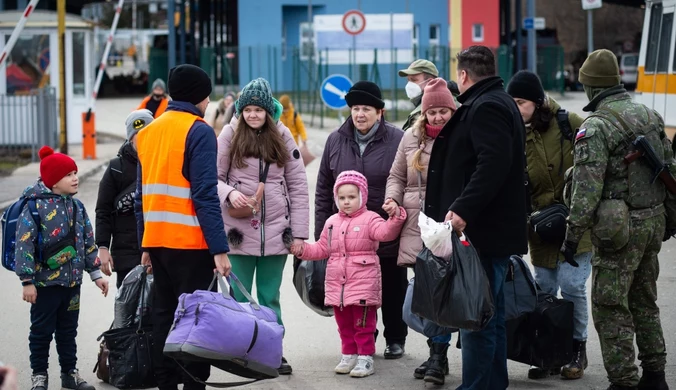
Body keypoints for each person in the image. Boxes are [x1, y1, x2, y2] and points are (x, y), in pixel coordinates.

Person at [562, 49, 674, 390]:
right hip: (652, 222)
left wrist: (572, 235)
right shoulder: (651, 115)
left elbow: (586, 189)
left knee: (610, 306)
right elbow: (670, 169)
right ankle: (655, 375)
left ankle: (623, 380)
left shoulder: (596, 127)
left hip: (619, 231)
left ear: (592, 89)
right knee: (644, 299)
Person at [425, 46, 528, 390]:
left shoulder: (487, 107)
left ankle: (477, 386)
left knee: (476, 318)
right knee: (490, 315)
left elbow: (492, 165)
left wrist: (463, 210)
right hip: (491, 230)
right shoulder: (498, 102)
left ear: (464, 75)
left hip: (483, 232)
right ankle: (491, 383)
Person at [134, 64, 232, 390]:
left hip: (158, 242)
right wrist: (219, 249)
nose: (208, 102)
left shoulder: (148, 132)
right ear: (199, 96)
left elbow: (141, 196)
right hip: (192, 243)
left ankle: (166, 383)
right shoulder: (200, 130)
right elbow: (205, 194)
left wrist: (145, 245)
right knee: (196, 317)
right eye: (207, 95)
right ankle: (193, 383)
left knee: (163, 314)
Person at [217, 77, 309, 375]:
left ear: (269, 111)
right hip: (237, 233)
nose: (253, 115)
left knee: (270, 298)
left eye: (259, 109)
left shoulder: (283, 136)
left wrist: (299, 234)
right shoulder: (229, 135)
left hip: (275, 233)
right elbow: (211, 179)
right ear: (241, 111)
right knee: (240, 298)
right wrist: (230, 193)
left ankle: (273, 352)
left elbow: (297, 186)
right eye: (248, 109)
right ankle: (241, 352)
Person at [506, 70, 593, 380]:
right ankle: (548, 353)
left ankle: (576, 349)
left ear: (537, 101)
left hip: (576, 222)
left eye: (521, 102)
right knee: (543, 288)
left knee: (571, 285)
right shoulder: (513, 132)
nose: (516, 108)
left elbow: (596, 160)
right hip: (540, 226)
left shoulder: (568, 123)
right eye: (512, 102)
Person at [315, 80, 408, 359]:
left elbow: (406, 181)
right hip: (348, 236)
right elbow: (323, 190)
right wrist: (322, 233)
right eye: (355, 108)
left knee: (392, 285)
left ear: (380, 112)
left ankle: (395, 337)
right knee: (357, 292)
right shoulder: (336, 140)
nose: (360, 115)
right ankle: (366, 338)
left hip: (384, 229)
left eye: (366, 109)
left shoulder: (397, 139)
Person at [291, 171, 406, 378]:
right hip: (338, 285)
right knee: (343, 324)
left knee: (363, 324)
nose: (346, 202)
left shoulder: (370, 219)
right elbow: (322, 249)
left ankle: (365, 357)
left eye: (351, 197)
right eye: (342, 198)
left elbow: (385, 233)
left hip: (363, 282)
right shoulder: (332, 222)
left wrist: (395, 218)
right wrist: (303, 250)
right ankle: (349, 353)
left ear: (362, 196)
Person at [15, 146, 109, 390]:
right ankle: (39, 376)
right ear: (53, 182)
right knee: (41, 332)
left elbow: (88, 242)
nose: (75, 178)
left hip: (72, 284)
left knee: (68, 332)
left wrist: (96, 274)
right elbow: (24, 245)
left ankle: (69, 373)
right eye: (68, 174)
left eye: (75, 173)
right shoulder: (34, 207)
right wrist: (27, 281)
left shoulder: (77, 207)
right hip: (44, 285)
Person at [384, 77, 457, 385]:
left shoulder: (461, 137)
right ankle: (435, 350)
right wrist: (392, 198)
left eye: (443, 111)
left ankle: (438, 356)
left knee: (437, 293)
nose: (438, 117)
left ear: (452, 110)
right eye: (432, 112)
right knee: (418, 301)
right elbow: (397, 175)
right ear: (424, 113)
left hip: (447, 226)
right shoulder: (410, 139)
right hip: (416, 225)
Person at [96, 109, 153, 288]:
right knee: (128, 308)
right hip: (126, 253)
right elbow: (103, 210)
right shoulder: (116, 168)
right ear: (130, 137)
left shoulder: (162, 163)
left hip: (158, 250)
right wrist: (103, 247)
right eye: (138, 134)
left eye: (149, 132)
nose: (144, 137)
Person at [398, 59, 439, 130]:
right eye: (408, 80)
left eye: (414, 80)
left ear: (430, 82)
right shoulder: (422, 104)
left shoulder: (437, 106)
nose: (409, 85)